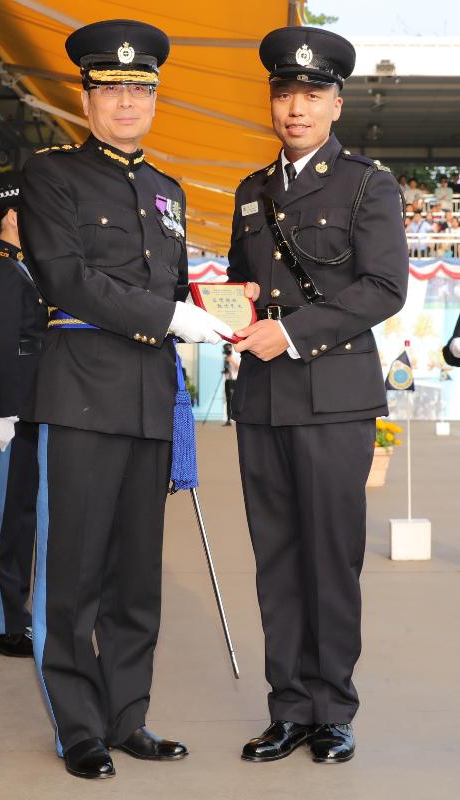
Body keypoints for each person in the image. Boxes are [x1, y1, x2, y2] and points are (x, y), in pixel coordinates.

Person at [18, 18, 230, 780]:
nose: (127, 101)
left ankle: (127, 716)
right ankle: (78, 727)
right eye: (111, 87)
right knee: (74, 573)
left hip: (148, 398)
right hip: (81, 395)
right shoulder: (52, 176)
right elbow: (67, 279)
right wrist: (169, 316)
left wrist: (211, 313)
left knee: (136, 578)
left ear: (154, 98)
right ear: (86, 96)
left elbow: (176, 288)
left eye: (140, 88)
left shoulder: (167, 191)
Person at [227, 25, 408, 765]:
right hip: (262, 398)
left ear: (335, 104)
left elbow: (383, 287)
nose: (294, 107)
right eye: (283, 93)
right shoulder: (251, 190)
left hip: (332, 397)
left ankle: (332, 707)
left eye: (310, 94)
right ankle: (288, 709)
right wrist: (233, 306)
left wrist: (292, 332)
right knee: (275, 559)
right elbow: (246, 285)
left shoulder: (368, 182)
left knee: (329, 559)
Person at [0, 171, 48, 658]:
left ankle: (15, 617)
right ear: (15, 216)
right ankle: (1, 626)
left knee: (21, 517)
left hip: (28, 410)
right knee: (3, 519)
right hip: (10, 415)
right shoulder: (1, 268)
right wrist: (2, 415)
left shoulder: (21, 266)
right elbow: (0, 346)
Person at [223, 343, 240, 425]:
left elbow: (239, 368)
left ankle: (237, 419)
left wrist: (232, 361)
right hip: (227, 380)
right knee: (228, 400)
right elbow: (225, 369)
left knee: (235, 400)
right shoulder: (225, 358)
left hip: (235, 380)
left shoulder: (236, 356)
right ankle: (228, 419)